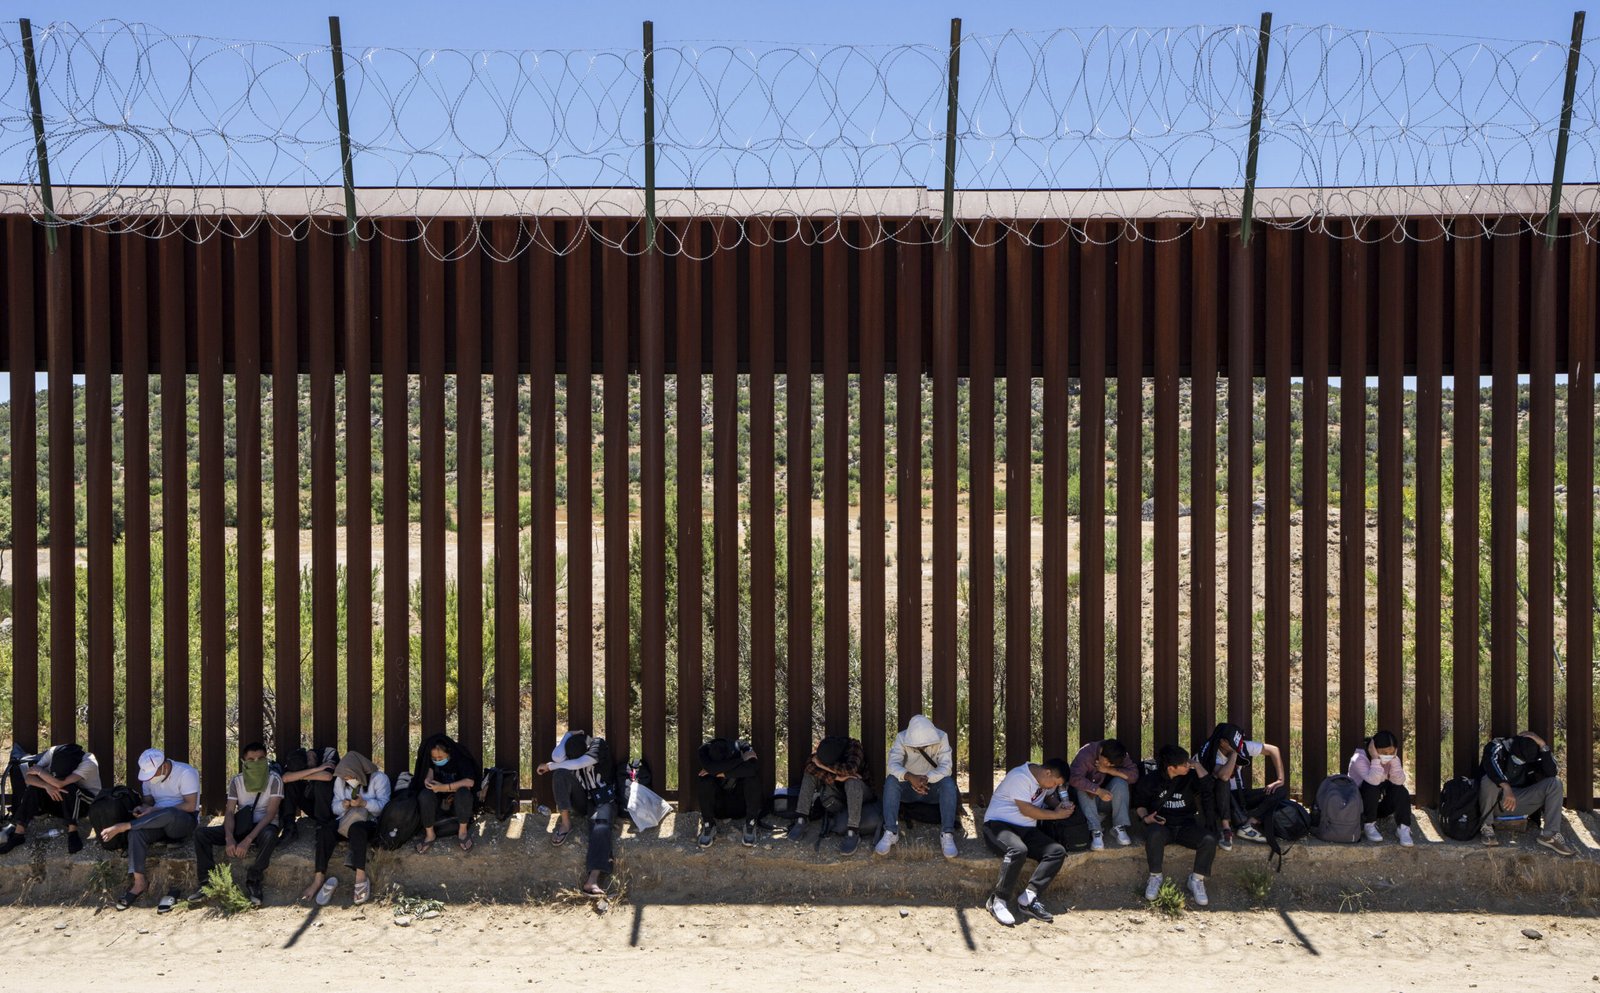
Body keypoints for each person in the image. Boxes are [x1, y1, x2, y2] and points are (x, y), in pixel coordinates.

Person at [98, 749, 200, 911]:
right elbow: (149, 802)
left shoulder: (186, 773)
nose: (151, 778)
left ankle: (124, 826)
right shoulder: (148, 778)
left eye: (153, 774)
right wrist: (143, 809)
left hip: (182, 821)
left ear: (164, 766)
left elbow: (190, 805)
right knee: (136, 833)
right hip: (157, 820)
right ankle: (139, 883)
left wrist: (155, 810)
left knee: (169, 813)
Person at [981, 757, 1075, 926]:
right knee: (1018, 850)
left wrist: (1059, 806)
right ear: (1048, 772)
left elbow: (1048, 798)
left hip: (1026, 829)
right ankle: (998, 900)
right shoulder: (1020, 777)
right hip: (998, 825)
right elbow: (1026, 810)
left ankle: (1028, 898)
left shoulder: (1044, 781)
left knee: (1057, 851)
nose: (1053, 787)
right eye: (1054, 782)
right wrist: (1056, 815)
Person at [190, 741, 283, 907]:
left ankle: (254, 880)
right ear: (244, 762)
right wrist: (229, 837)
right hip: (242, 824)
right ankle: (206, 882)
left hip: (263, 826)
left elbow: (270, 814)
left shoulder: (274, 780)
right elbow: (230, 812)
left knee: (270, 836)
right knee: (201, 834)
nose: (256, 763)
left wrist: (248, 840)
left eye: (261, 759)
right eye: (251, 760)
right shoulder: (237, 781)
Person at [302, 752, 390, 906]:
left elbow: (384, 808)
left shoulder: (379, 779)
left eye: (350, 776)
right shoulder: (340, 780)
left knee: (357, 829)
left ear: (358, 771)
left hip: (370, 822)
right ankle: (318, 878)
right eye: (345, 777)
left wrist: (364, 804)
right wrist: (343, 805)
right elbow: (334, 807)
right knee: (325, 831)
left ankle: (360, 877)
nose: (347, 780)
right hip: (346, 820)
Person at [1135, 745, 1218, 907]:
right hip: (1162, 825)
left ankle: (1196, 880)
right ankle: (1155, 877)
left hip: (1186, 825)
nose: (1188, 765)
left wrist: (1197, 765)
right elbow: (1140, 805)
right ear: (1171, 768)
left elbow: (1209, 786)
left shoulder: (1190, 776)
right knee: (1154, 835)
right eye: (1184, 764)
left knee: (1209, 840)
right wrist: (1146, 818)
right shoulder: (1150, 780)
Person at [536, 731, 615, 897]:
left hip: (602, 797)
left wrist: (549, 766)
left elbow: (581, 762)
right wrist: (567, 735)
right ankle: (566, 823)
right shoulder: (569, 748)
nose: (569, 759)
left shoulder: (598, 744)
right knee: (560, 774)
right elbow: (557, 756)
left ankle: (592, 880)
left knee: (600, 827)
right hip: (582, 799)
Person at [1477, 731, 1576, 856]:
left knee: (1554, 783)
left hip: (1519, 802)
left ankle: (1549, 835)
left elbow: (1552, 772)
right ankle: (1487, 826)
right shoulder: (1498, 746)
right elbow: (1491, 765)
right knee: (1488, 780)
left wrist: (1543, 746)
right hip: (1494, 802)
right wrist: (1506, 786)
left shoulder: (1535, 756)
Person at [876, 714, 959, 859]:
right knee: (891, 781)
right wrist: (910, 777)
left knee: (948, 783)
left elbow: (946, 768)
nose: (921, 747)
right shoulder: (902, 738)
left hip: (931, 788)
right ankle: (891, 831)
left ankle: (947, 833)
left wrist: (926, 779)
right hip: (908, 787)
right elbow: (892, 765)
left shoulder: (942, 737)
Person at [1193, 722, 1285, 851]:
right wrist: (1234, 753)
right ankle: (1227, 829)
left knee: (1280, 791)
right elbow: (1224, 776)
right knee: (1222, 781)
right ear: (1223, 742)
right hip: (1218, 799)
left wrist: (1280, 779)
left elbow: (1273, 750)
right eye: (1234, 744)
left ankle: (1249, 823)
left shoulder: (1242, 746)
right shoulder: (1210, 754)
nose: (1238, 747)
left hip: (1239, 794)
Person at [0, 741, 101, 856]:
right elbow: (28, 778)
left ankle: (73, 831)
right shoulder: (52, 752)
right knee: (34, 788)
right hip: (59, 801)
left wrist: (40, 771)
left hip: (84, 805)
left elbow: (60, 784)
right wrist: (46, 785)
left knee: (69, 788)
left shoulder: (89, 762)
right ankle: (18, 833)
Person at [786, 735, 871, 855]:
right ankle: (801, 818)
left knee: (852, 782)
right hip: (836, 793)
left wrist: (822, 766)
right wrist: (838, 777)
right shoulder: (826, 746)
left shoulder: (854, 747)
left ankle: (853, 831)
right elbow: (810, 766)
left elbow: (850, 770)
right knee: (810, 775)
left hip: (860, 794)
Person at [694, 737, 768, 849]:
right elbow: (711, 768)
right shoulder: (704, 750)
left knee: (752, 778)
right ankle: (709, 824)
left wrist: (722, 773)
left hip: (740, 805)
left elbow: (752, 768)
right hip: (717, 807)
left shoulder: (743, 746)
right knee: (704, 779)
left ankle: (750, 823)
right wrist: (741, 760)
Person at [1068, 737, 1138, 851]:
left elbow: (1133, 776)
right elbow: (1074, 778)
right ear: (1100, 752)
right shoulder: (1086, 753)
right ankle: (1096, 830)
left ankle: (1119, 826)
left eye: (1112, 764)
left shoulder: (1121, 755)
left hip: (1107, 800)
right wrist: (1098, 791)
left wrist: (1109, 770)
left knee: (1121, 782)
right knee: (1082, 787)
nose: (1109, 764)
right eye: (1107, 761)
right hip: (1086, 801)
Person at [414, 734, 479, 854]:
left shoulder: (461, 759)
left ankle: (462, 832)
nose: (437, 760)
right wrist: (428, 781)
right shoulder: (432, 762)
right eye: (434, 758)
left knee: (463, 793)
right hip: (439, 800)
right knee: (425, 795)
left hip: (458, 799)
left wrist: (444, 787)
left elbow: (469, 782)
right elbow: (430, 773)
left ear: (449, 753)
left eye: (440, 757)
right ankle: (430, 834)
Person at [1347, 730, 1413, 847]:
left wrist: (1394, 760)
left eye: (1391, 752)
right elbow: (1373, 781)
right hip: (1361, 806)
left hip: (1378, 807)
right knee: (1371, 786)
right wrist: (1375, 758)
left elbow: (1399, 781)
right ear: (1373, 748)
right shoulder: (1359, 759)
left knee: (1400, 790)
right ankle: (1369, 825)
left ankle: (1403, 828)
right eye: (1384, 752)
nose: (1387, 756)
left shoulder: (1392, 759)